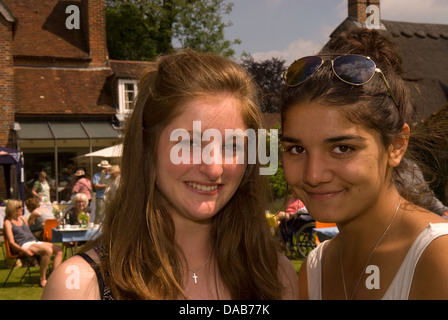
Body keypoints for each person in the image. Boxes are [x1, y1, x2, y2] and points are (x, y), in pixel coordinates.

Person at [42, 49, 299, 300]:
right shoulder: (79, 287)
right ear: (147, 147)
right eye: (190, 143)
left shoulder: (277, 277)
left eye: (232, 146)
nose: (213, 169)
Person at [280, 28, 448, 300]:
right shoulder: (315, 268)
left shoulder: (438, 258)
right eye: (296, 149)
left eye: (342, 148)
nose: (313, 175)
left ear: (396, 146)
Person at [3, 199, 63, 287]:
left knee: (59, 249)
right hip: (23, 245)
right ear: (12, 209)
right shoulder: (8, 222)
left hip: (33, 241)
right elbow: (11, 242)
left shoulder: (23, 218)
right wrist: (23, 251)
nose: (22, 208)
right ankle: (42, 278)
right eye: (19, 207)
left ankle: (54, 276)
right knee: (47, 251)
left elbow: (28, 232)